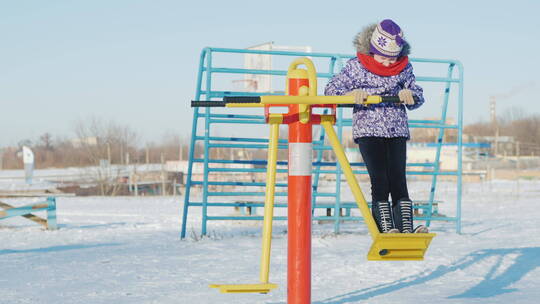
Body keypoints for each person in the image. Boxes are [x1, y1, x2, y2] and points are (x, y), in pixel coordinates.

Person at [324, 19, 428, 234]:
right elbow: (331, 90)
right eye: (383, 57)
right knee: (379, 178)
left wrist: (411, 95)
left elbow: (417, 94)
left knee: (398, 178)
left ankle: (405, 226)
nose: (389, 63)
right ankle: (385, 226)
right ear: (373, 51)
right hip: (368, 130)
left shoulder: (404, 67)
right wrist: (350, 95)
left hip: (396, 129)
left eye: (393, 58)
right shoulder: (356, 66)